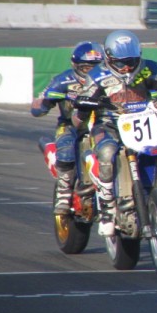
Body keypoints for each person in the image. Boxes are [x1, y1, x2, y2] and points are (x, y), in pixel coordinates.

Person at [74, 29, 157, 236]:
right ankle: (108, 208)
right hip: (109, 125)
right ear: (109, 58)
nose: (127, 67)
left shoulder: (149, 69)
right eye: (121, 63)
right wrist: (84, 106)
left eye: (131, 61)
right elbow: (81, 105)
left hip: (143, 121)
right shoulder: (97, 75)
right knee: (107, 152)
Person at [31, 41, 105, 215]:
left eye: (96, 67)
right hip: (70, 125)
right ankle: (64, 192)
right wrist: (44, 103)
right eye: (87, 68)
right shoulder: (63, 80)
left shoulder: (108, 80)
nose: (92, 72)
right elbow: (38, 107)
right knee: (66, 149)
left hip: (102, 123)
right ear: (76, 65)